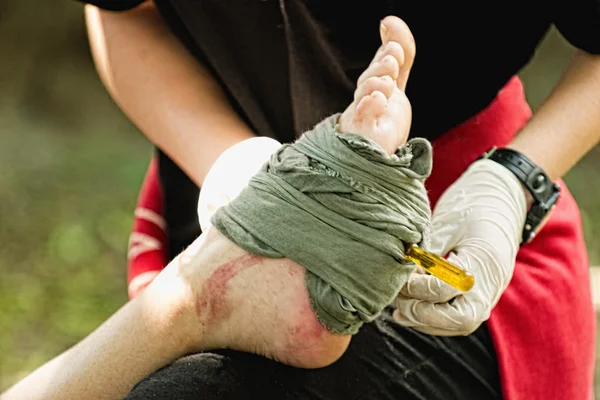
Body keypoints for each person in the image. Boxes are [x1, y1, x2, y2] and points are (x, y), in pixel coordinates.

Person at [13, 0, 600, 397]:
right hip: (221, 181)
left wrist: (517, 178)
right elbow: (122, 13)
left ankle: (196, 299)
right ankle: (204, 293)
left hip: (450, 225)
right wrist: (234, 168)